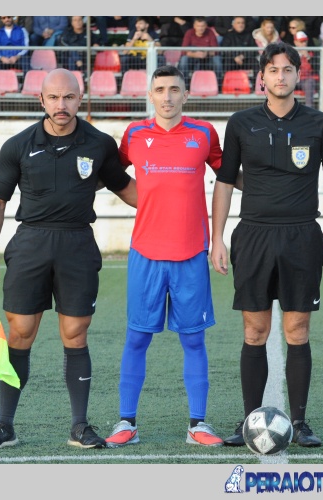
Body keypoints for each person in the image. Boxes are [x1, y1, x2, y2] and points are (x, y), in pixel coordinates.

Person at [0, 68, 138, 450]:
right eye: (53, 97)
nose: (61, 104)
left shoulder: (99, 144)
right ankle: (4, 426)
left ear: (80, 99)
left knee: (76, 333)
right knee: (20, 331)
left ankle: (79, 427)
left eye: (68, 97)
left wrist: (174, 199)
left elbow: (128, 190)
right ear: (41, 100)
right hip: (30, 243)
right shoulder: (17, 145)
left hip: (77, 244)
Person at [210, 41, 323, 449]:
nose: (281, 76)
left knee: (297, 329)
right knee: (255, 330)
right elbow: (223, 183)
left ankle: (300, 423)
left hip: (302, 236)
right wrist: (217, 238)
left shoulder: (320, 124)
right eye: (273, 69)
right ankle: (250, 420)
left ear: (298, 75)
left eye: (288, 69)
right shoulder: (241, 123)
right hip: (253, 235)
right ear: (262, 77)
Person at [104, 65, 228, 449]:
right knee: (137, 338)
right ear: (150, 95)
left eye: (175, 89)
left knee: (193, 341)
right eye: (160, 90)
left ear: (186, 95)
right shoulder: (134, 134)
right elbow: (112, 175)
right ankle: (127, 423)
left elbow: (229, 177)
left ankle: (197, 425)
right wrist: (143, 203)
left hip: (191, 253)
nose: (167, 97)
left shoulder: (204, 134)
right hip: (146, 253)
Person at [177, 17, 223, 88]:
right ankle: (184, 85)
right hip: (192, 58)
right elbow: (183, 51)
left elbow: (216, 51)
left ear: (206, 26)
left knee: (217, 60)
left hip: (207, 58)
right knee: (184, 60)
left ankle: (218, 86)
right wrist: (194, 54)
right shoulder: (189, 33)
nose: (200, 28)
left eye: (202, 26)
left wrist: (206, 53)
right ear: (194, 26)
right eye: (198, 26)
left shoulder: (210, 32)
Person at [292, 31, 319, 107]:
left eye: (305, 41)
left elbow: (317, 69)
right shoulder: (291, 54)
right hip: (293, 80)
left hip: (306, 80)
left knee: (309, 83)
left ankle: (308, 109)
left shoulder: (312, 53)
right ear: (296, 42)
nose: (304, 44)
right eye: (301, 41)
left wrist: (309, 58)